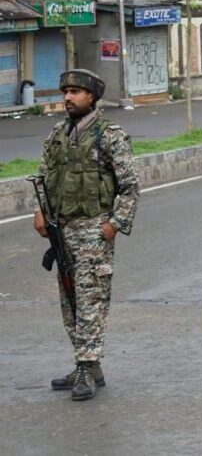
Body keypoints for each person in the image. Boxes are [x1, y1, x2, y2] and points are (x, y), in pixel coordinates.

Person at [34, 69, 139, 401]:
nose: (67, 98)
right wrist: (40, 212)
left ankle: (86, 363)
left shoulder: (110, 136)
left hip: (94, 230)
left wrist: (114, 225)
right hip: (62, 230)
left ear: (91, 97)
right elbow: (44, 174)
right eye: (65, 92)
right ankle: (89, 367)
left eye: (75, 92)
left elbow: (130, 187)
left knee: (91, 299)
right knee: (71, 301)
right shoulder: (56, 135)